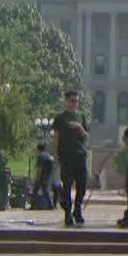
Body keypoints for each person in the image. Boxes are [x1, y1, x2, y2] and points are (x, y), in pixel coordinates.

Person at [53, 90, 91, 226]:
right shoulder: (60, 118)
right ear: (66, 101)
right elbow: (56, 138)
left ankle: (78, 209)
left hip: (80, 155)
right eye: (72, 100)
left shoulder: (81, 117)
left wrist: (80, 128)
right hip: (66, 156)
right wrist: (56, 155)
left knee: (82, 185)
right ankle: (68, 213)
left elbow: (87, 137)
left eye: (76, 101)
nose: (75, 103)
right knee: (67, 186)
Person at [31, 142, 56, 210]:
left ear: (38, 149)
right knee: (45, 190)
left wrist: (37, 178)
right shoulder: (50, 156)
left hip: (42, 176)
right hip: (48, 175)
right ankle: (51, 205)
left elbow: (40, 168)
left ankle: (33, 205)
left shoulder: (41, 156)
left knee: (35, 190)